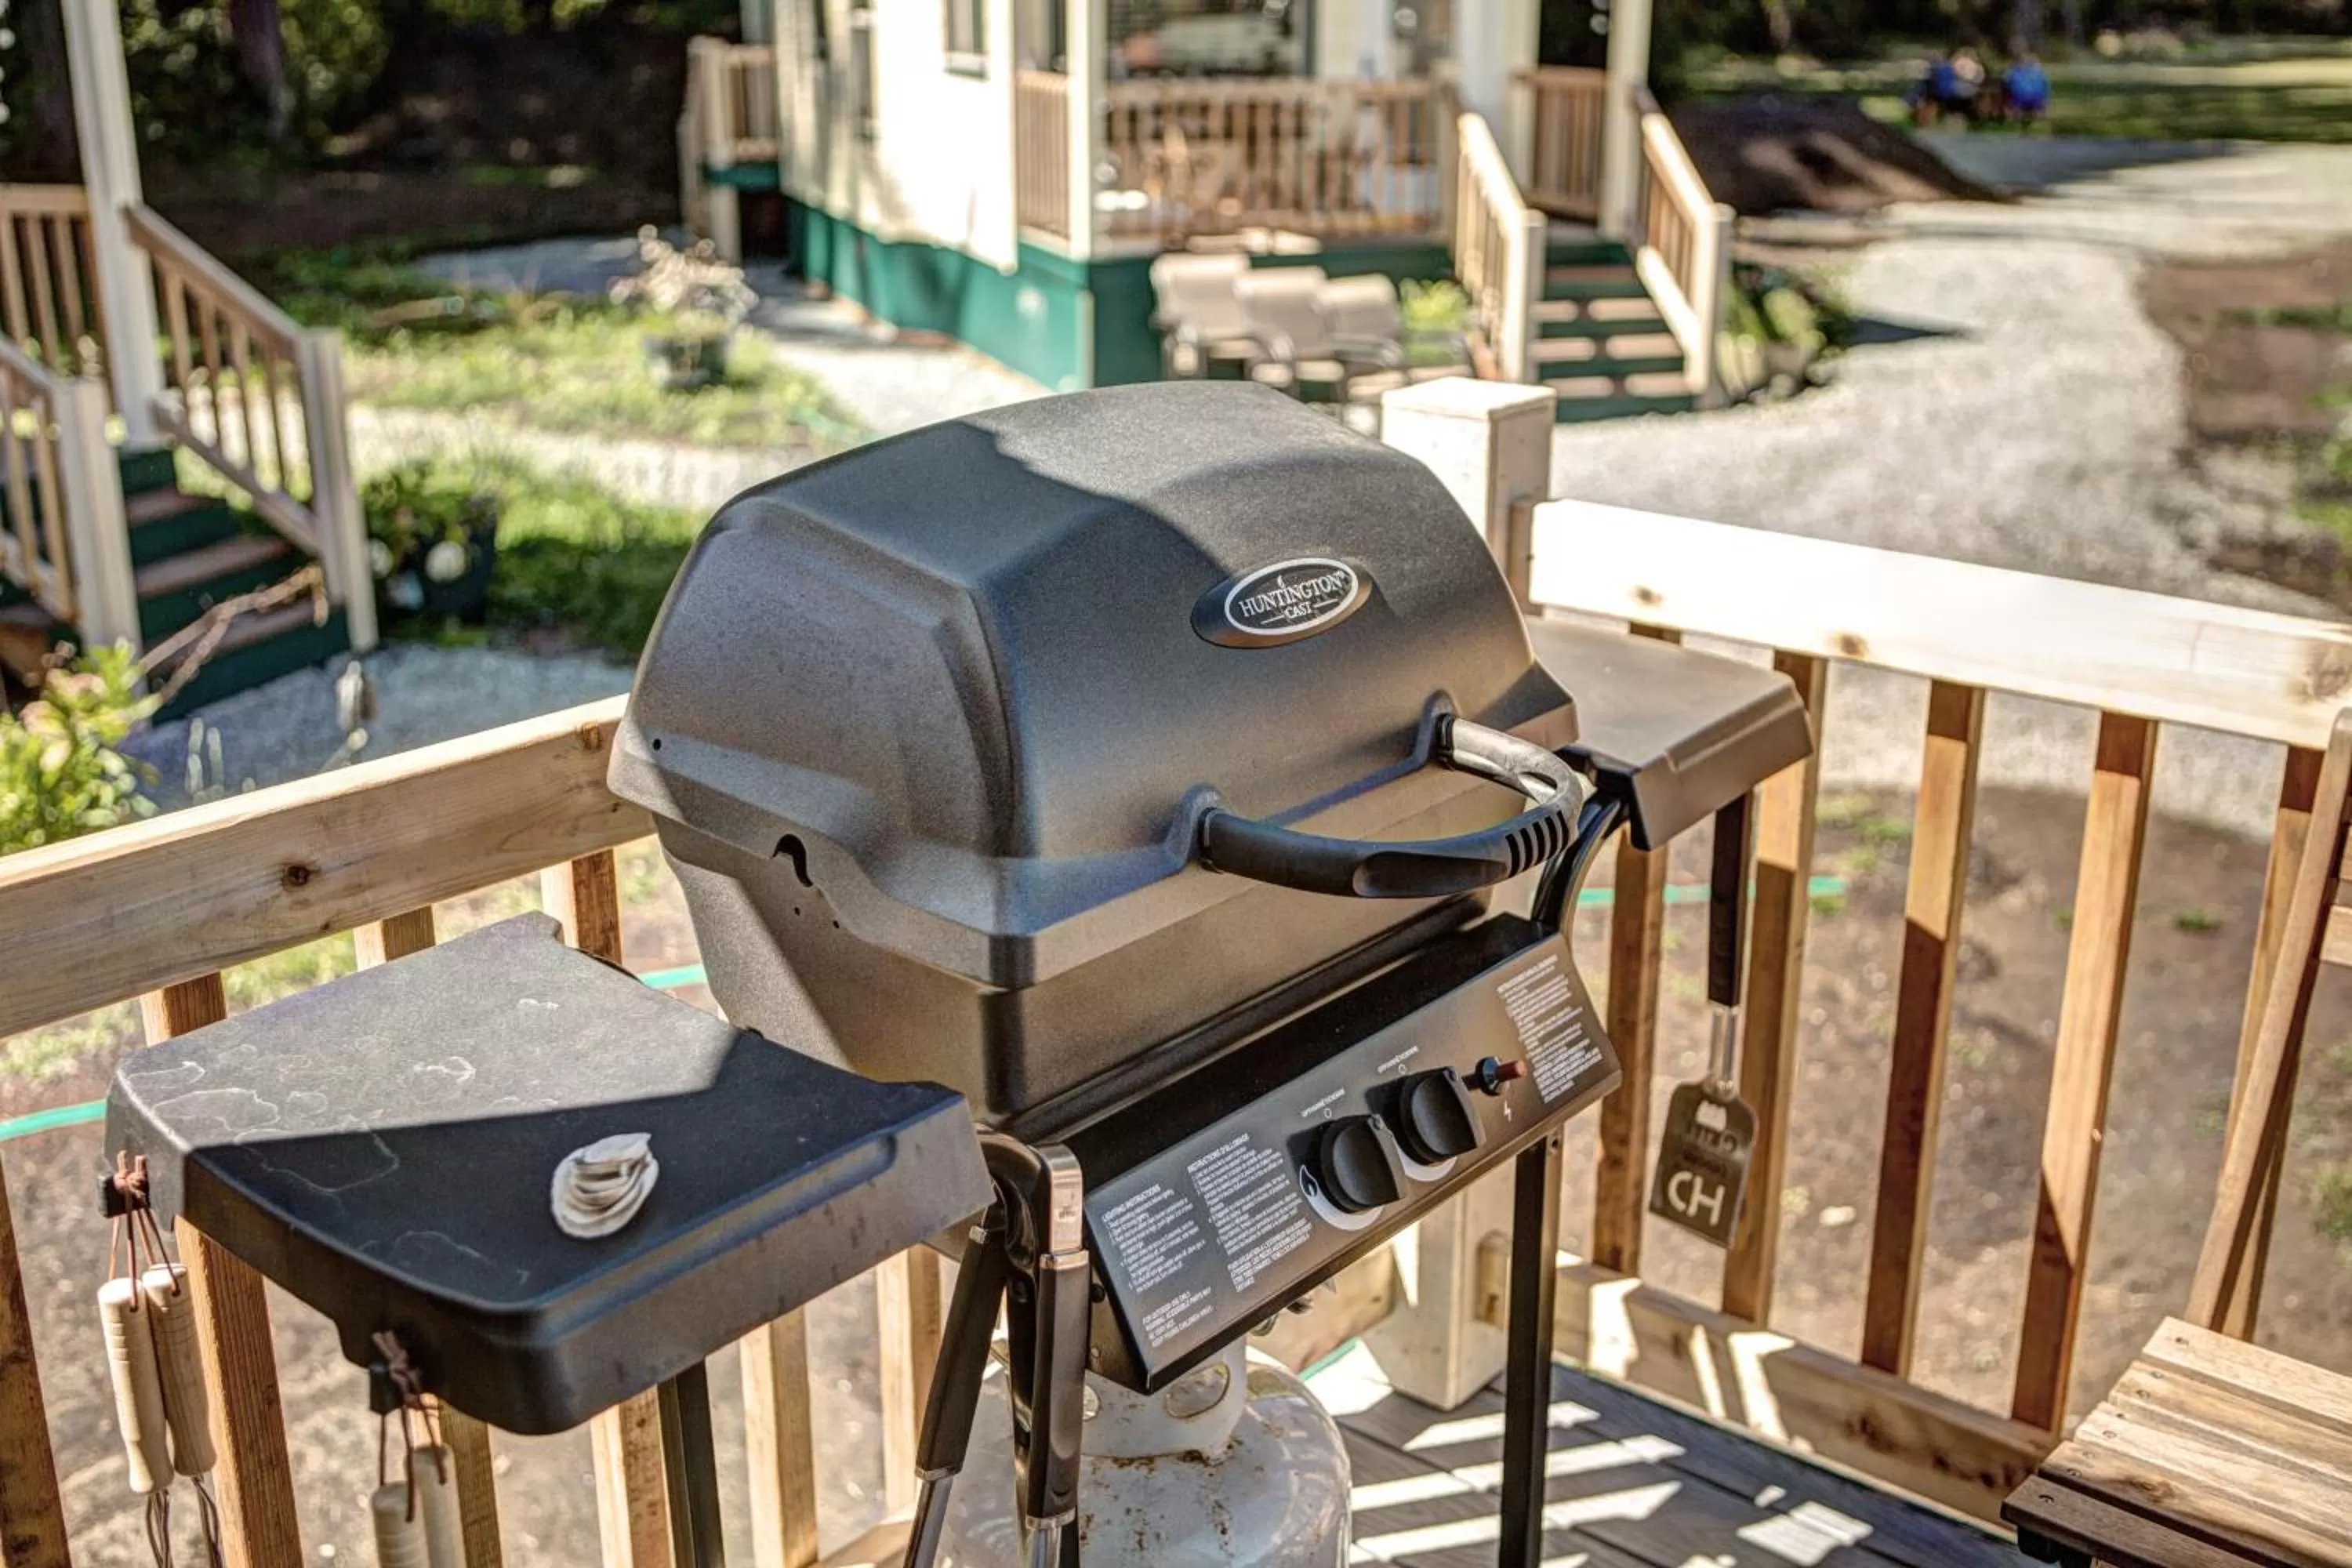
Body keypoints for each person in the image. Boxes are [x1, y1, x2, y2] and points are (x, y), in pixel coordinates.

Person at [2005, 52, 2052, 126]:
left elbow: (2007, 82)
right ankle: (2040, 111)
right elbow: (2046, 85)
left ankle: (2015, 111)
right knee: (2043, 89)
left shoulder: (2014, 72)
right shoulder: (2040, 73)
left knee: (2009, 90)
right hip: (2037, 100)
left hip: (2019, 99)